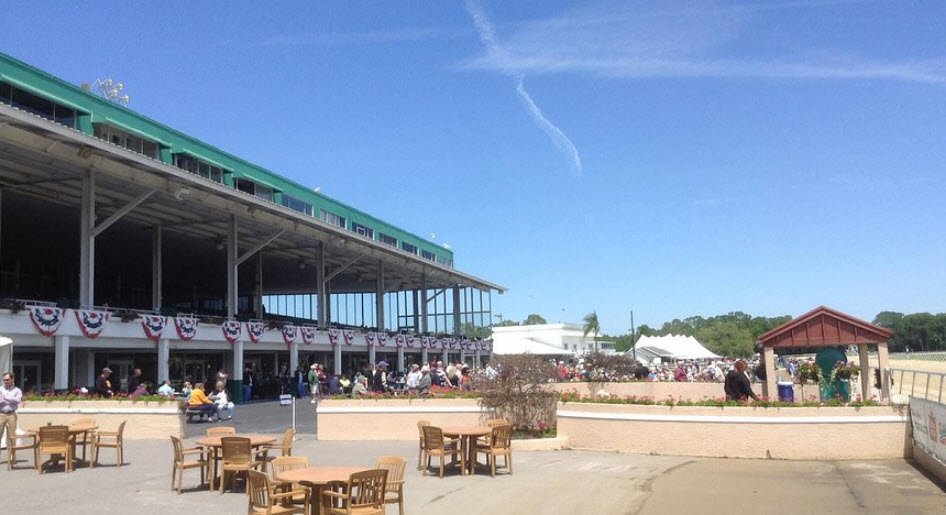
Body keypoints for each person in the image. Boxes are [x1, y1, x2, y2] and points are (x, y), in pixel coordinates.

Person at [1, 371, 24, 463]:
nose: (5, 381)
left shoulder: (17, 390)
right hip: (1, 414)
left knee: (12, 436)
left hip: (11, 414)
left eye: (7, 380)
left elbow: (17, 400)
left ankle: (12, 457)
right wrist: (11, 400)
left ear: (12, 379)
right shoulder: (0, 389)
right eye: (4, 380)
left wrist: (5, 398)